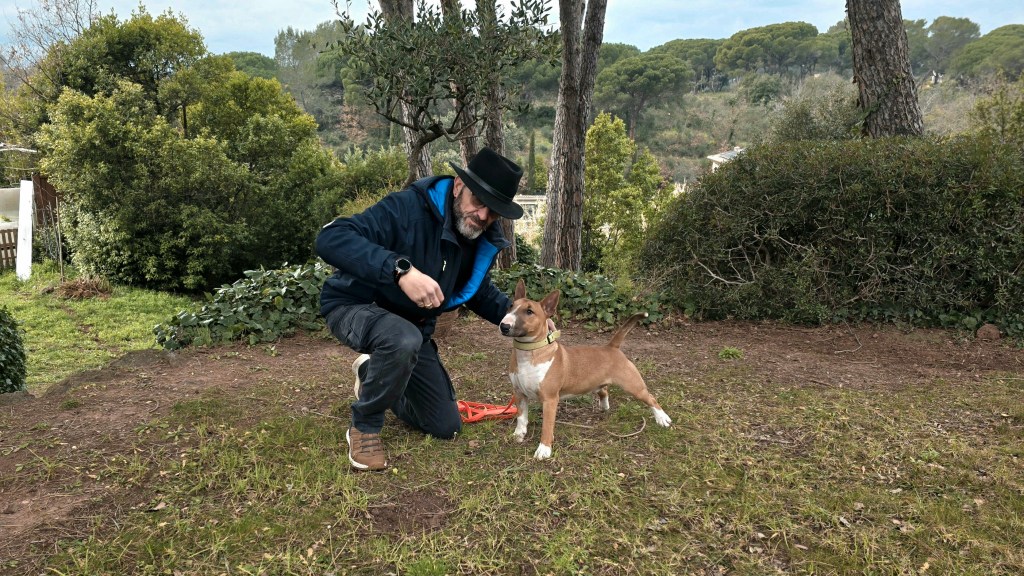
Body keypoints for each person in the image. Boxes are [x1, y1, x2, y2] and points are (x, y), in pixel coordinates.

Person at [315, 147, 524, 471]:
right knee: (402, 338)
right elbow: (331, 238)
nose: (483, 216)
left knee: (446, 425)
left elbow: (477, 292)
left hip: (411, 330)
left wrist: (522, 321)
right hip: (355, 305)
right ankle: (365, 426)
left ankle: (373, 373)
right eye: (478, 201)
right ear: (458, 186)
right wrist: (400, 271)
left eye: (493, 211)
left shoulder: (477, 237)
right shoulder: (406, 208)